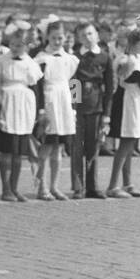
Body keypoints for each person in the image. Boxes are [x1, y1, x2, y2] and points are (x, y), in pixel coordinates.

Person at [0, 27, 42, 201]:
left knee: (19, 151)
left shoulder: (30, 62)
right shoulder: (1, 60)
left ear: (26, 46)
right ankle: (5, 189)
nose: (15, 48)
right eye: (12, 44)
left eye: (19, 45)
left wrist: (37, 111)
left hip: (24, 104)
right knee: (7, 150)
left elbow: (35, 85)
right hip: (7, 103)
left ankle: (15, 187)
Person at [35, 20, 78, 201]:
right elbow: (38, 85)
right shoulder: (42, 59)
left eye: (60, 37)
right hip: (50, 101)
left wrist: (74, 108)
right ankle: (41, 186)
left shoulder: (71, 59)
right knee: (46, 147)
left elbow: (75, 84)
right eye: (53, 38)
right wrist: (41, 109)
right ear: (47, 38)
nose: (57, 41)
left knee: (59, 148)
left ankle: (55, 186)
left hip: (64, 102)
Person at [70, 22, 113, 199]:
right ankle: (79, 187)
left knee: (93, 147)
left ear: (96, 35)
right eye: (83, 36)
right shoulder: (74, 58)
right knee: (77, 148)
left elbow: (110, 88)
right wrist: (74, 108)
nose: (87, 38)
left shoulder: (104, 57)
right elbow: (73, 82)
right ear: (78, 39)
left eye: (90, 34)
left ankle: (93, 186)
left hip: (97, 106)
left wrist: (107, 115)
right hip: (79, 107)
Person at [106, 29, 140, 197]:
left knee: (131, 143)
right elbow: (122, 76)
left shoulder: (139, 59)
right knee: (126, 142)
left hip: (137, 100)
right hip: (128, 101)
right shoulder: (126, 59)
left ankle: (127, 182)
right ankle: (113, 185)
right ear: (137, 44)